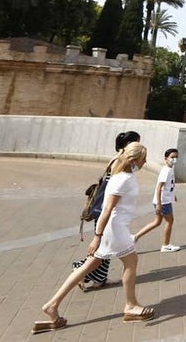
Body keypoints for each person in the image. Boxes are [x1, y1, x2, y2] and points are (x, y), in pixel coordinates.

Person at [33, 142, 155, 332]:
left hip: (112, 227)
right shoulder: (123, 178)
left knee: (89, 265)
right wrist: (97, 236)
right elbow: (107, 209)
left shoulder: (122, 175)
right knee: (131, 263)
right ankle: (131, 306)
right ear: (134, 159)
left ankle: (52, 305)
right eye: (143, 158)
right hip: (114, 228)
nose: (145, 161)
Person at [76, 130, 141, 291]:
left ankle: (99, 278)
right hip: (107, 210)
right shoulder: (120, 160)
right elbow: (115, 188)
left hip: (107, 208)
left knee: (105, 251)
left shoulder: (117, 158)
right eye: (137, 143)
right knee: (101, 249)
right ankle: (80, 272)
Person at [135, 148, 181, 251]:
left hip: (163, 200)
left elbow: (169, 185)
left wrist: (173, 195)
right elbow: (159, 187)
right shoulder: (166, 171)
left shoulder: (170, 169)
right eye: (172, 157)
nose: (174, 159)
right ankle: (166, 245)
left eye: (176, 157)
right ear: (166, 158)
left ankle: (135, 237)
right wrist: (159, 204)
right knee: (170, 221)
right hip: (163, 201)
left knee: (157, 222)